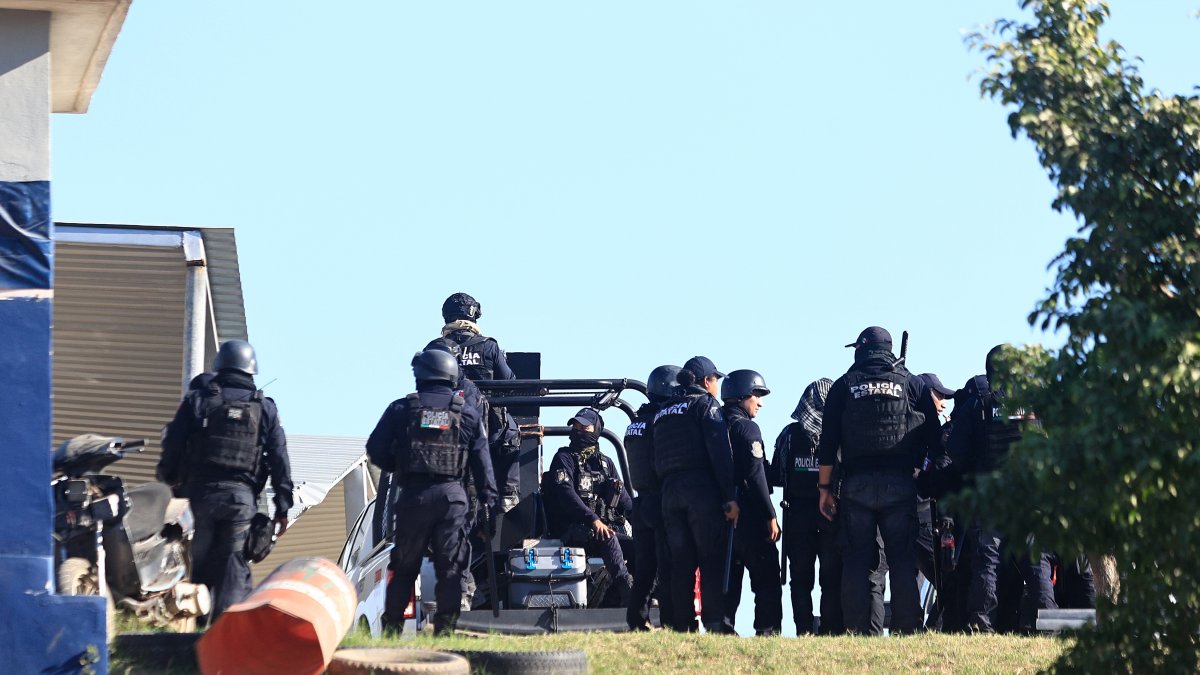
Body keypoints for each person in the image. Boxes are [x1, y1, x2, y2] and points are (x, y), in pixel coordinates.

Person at [365, 348, 498, 636]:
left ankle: (392, 633)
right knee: (450, 569)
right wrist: (490, 509)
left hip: (414, 496)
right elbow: (483, 467)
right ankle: (445, 633)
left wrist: (400, 467)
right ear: (451, 376)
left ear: (421, 376)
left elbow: (375, 449)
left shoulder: (401, 409)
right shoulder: (469, 415)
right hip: (452, 498)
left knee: (404, 567)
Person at [158, 340, 293, 621]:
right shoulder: (264, 407)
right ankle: (227, 635)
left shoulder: (198, 400)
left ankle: (192, 639)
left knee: (197, 568)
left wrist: (168, 479)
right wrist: (283, 507)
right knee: (233, 568)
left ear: (219, 364)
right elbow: (279, 457)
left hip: (198, 499)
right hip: (239, 502)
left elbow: (173, 443)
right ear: (251, 369)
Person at [816, 327, 939, 635]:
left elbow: (828, 443)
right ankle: (908, 629)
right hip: (900, 484)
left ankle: (859, 631)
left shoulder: (844, 385)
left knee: (858, 560)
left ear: (861, 350)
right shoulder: (912, 383)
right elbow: (936, 440)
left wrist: (825, 491)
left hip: (856, 487)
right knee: (901, 560)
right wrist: (922, 474)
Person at [946, 344, 1047, 633]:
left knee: (986, 561)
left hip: (990, 494)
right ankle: (1048, 624)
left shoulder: (980, 403)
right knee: (1035, 560)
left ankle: (981, 623)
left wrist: (976, 470)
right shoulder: (1037, 402)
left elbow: (954, 449)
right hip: (1029, 494)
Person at [652, 356, 740, 634]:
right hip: (700, 491)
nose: (718, 386)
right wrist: (729, 496)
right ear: (706, 381)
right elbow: (720, 452)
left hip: (668, 492)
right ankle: (714, 623)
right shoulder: (706, 405)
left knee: (681, 564)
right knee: (709, 559)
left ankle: (683, 625)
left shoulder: (664, 410)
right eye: (716, 380)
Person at [771, 377, 843, 635]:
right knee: (831, 578)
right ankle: (830, 629)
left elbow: (776, 475)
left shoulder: (789, 435)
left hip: (797, 516)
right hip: (831, 515)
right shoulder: (839, 433)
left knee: (800, 580)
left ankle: (804, 630)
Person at [438, 292, 521, 513]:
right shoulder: (488, 346)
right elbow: (510, 382)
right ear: (474, 315)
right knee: (512, 430)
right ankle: (508, 494)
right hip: (488, 430)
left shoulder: (434, 347)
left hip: (443, 429)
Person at [543, 408, 634, 604]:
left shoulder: (605, 463)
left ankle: (623, 597)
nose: (578, 430)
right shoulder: (564, 458)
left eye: (584, 426)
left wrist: (645, 523)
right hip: (572, 531)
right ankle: (627, 591)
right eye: (575, 425)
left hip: (602, 532)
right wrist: (593, 520)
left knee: (639, 547)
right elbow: (566, 494)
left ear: (596, 429)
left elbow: (624, 498)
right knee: (607, 536)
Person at [719, 370, 782, 636]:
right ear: (743, 395)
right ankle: (767, 634)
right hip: (750, 516)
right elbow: (755, 475)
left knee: (727, 581)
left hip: (721, 515)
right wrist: (770, 515)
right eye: (757, 395)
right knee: (767, 580)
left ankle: (722, 632)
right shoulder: (746, 427)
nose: (760, 402)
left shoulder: (713, 424)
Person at [624, 365, 681, 630]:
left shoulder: (634, 424)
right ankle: (670, 621)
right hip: (659, 500)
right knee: (667, 567)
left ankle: (637, 619)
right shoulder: (661, 423)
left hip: (640, 502)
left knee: (645, 569)